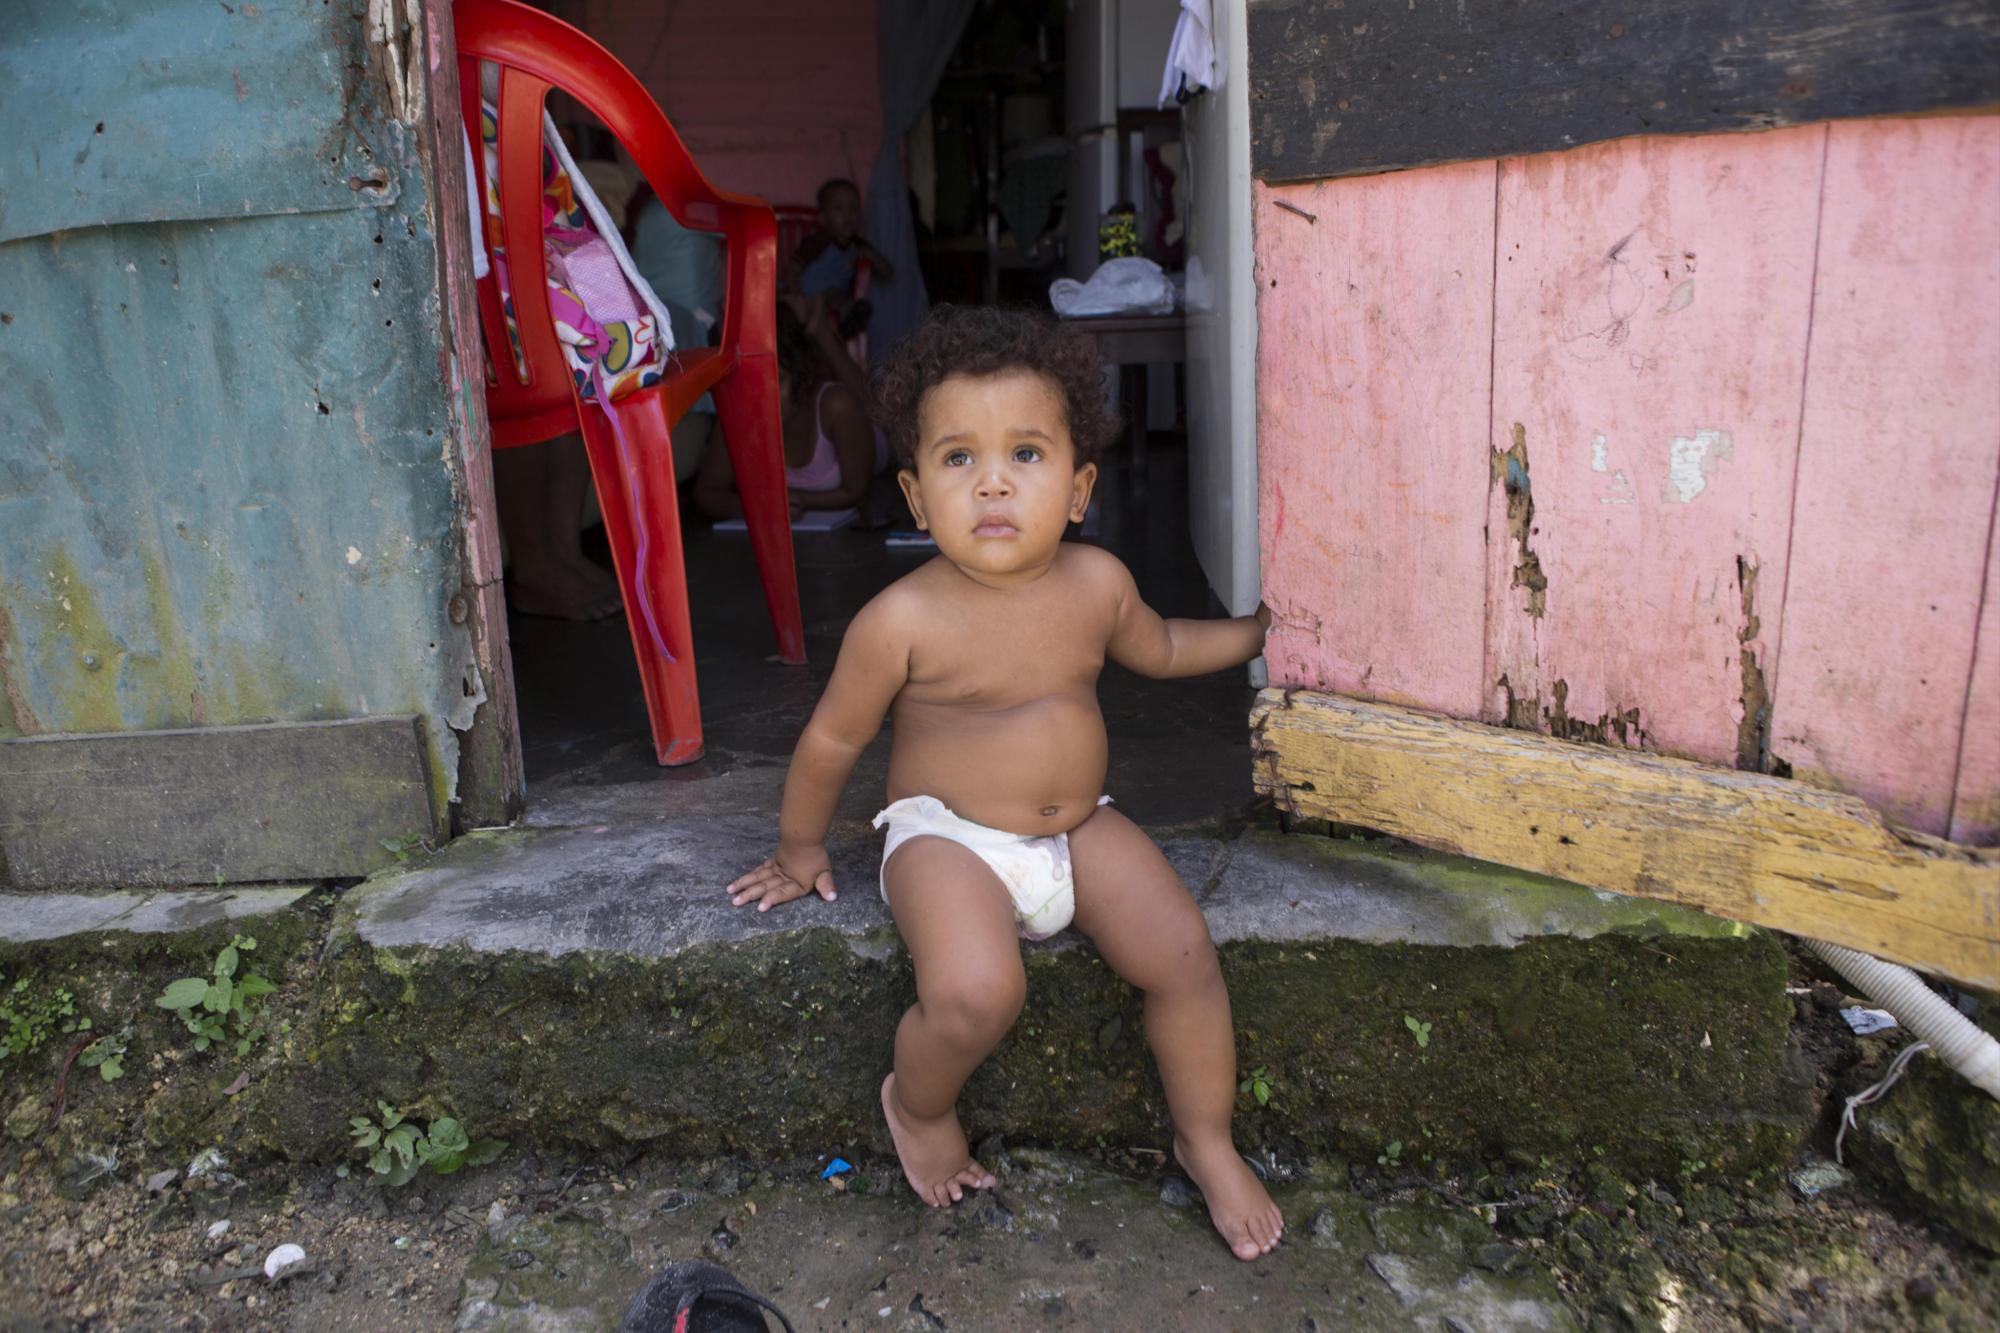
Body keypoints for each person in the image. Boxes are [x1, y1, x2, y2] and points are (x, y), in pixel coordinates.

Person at [723, 306, 1284, 1262]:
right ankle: (919, 1101)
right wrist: (800, 846)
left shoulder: (1098, 582)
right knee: (979, 991)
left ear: (1079, 486)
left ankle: (1207, 1136)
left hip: (1079, 830)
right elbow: (830, 741)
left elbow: (1167, 646)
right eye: (956, 460)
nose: (991, 481)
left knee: (1184, 951)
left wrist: (1264, 632)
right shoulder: (901, 617)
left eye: (1026, 453)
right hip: (948, 839)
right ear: (913, 494)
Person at [692, 304, 887, 523]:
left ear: (798, 374)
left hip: (874, 431)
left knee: (876, 409)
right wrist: (765, 508)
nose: (763, 397)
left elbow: (857, 492)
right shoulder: (738, 415)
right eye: (749, 386)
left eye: (777, 380)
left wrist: (795, 501)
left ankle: (823, 334)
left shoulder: (836, 406)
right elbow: (707, 494)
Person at [784, 177, 893, 342]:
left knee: (835, 297)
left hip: (831, 301)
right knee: (828, 296)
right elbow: (792, 268)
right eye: (838, 209)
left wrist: (872, 256)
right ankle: (848, 315)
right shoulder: (819, 242)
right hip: (807, 294)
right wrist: (798, 297)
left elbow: (888, 272)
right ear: (823, 218)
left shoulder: (858, 245)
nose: (848, 215)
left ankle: (849, 319)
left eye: (854, 208)